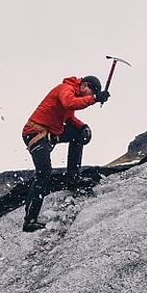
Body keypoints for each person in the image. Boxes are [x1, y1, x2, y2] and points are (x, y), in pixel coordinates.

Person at [21, 75, 111, 232]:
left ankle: (73, 178)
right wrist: (96, 98)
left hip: (49, 134)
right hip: (35, 133)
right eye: (90, 92)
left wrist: (84, 127)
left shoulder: (73, 93)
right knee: (44, 173)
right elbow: (69, 103)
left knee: (77, 134)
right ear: (84, 86)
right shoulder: (66, 89)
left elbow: (69, 118)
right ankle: (29, 220)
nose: (89, 96)